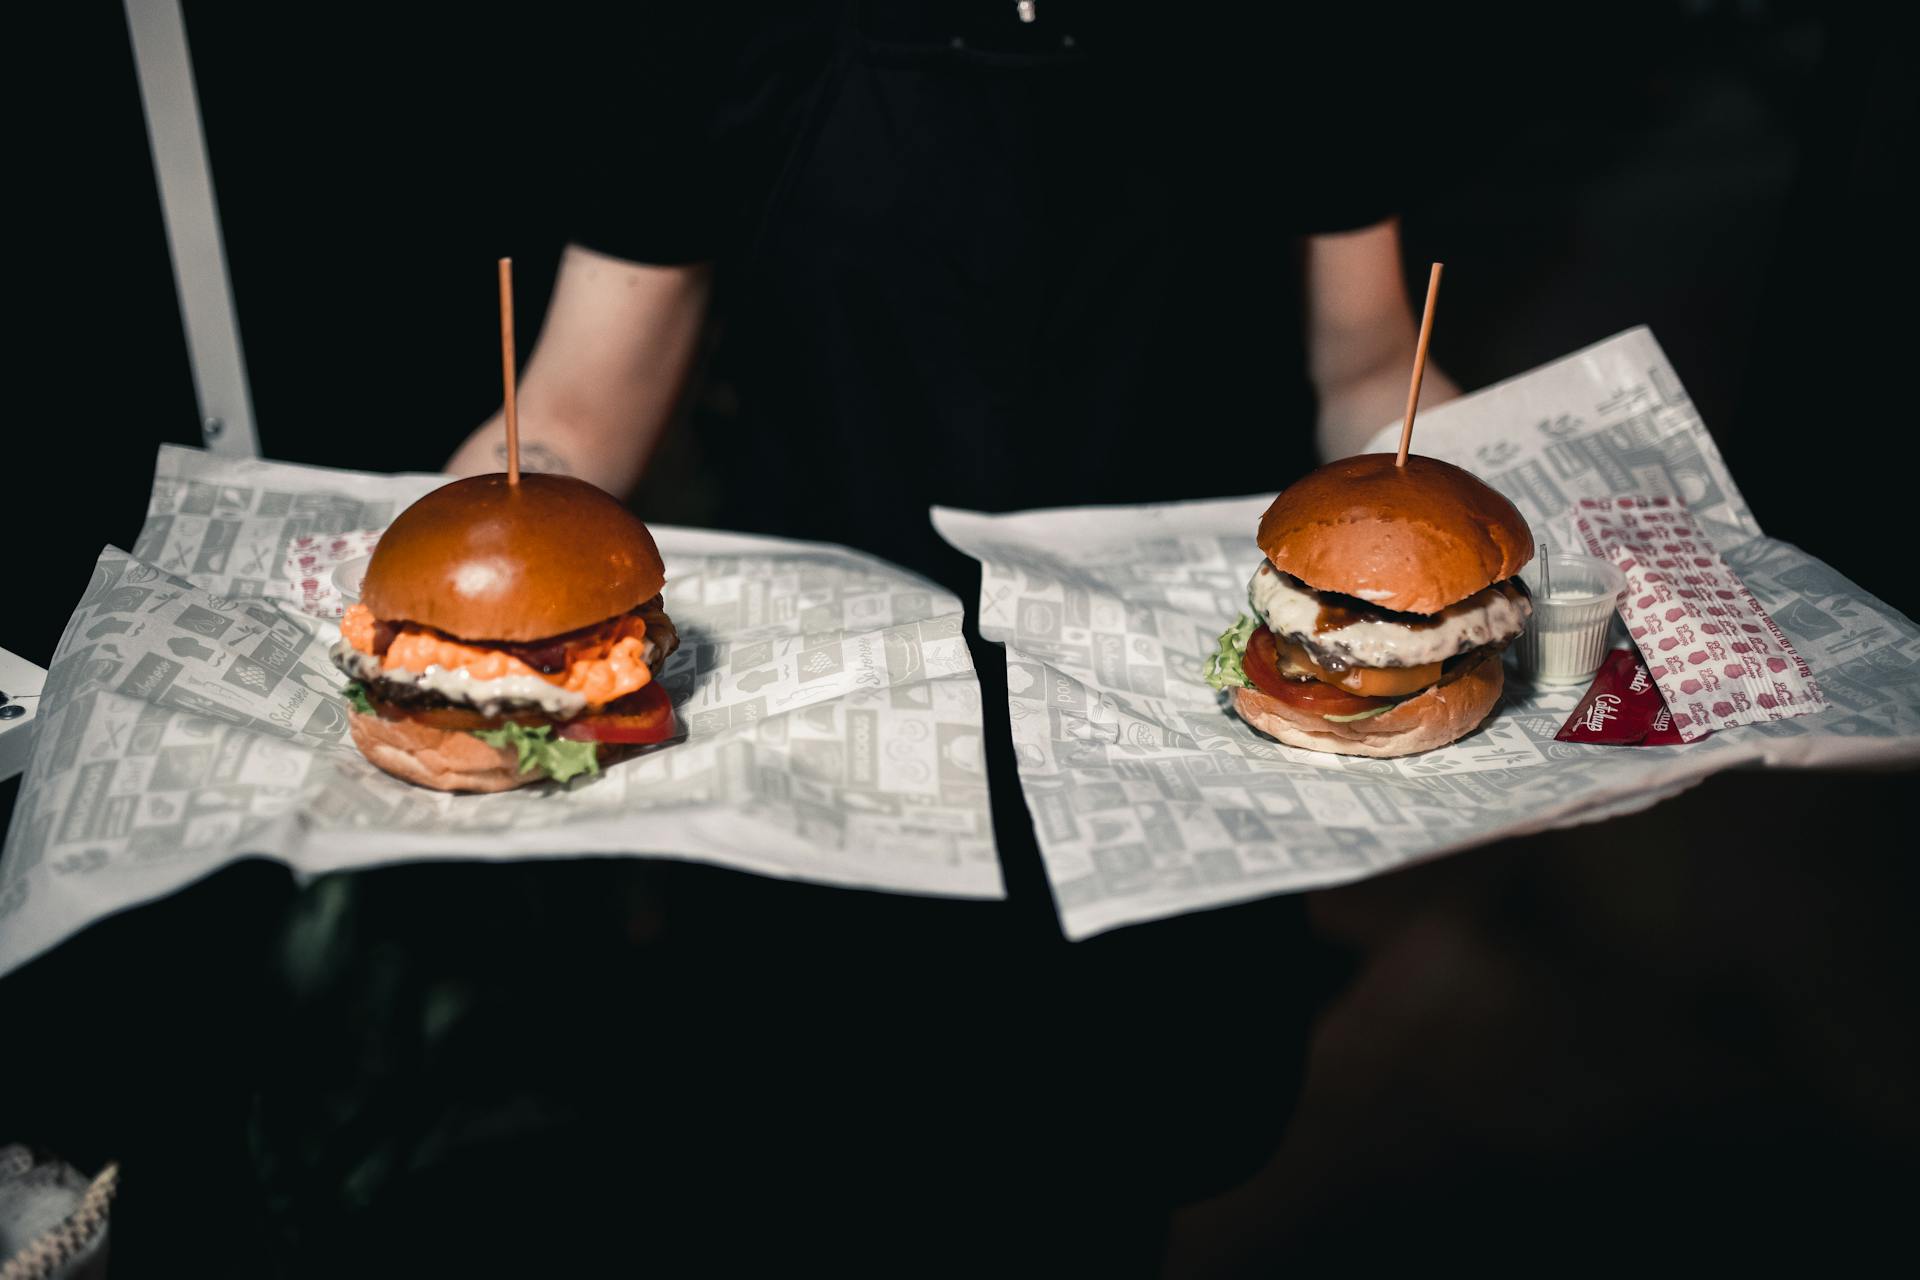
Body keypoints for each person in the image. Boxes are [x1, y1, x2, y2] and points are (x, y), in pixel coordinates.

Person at [435, 4, 1458, 1272]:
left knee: (1100, 1196)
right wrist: (437, 620)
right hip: (819, 771)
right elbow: (579, 419)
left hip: (1169, 764)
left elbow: (1366, 363)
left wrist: (1472, 518)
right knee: (809, 1182)